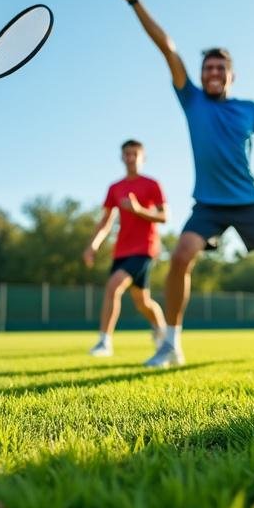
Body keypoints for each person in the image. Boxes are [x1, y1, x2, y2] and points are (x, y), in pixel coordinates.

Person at [105, 0, 254, 368]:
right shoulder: (191, 100)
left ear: (231, 75)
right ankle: (171, 343)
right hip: (207, 203)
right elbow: (167, 47)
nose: (212, 73)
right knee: (180, 257)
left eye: (219, 69)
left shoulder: (249, 109)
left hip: (248, 202)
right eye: (207, 68)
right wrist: (133, 0)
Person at [82, 139, 170, 356]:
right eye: (127, 154)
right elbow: (106, 221)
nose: (130, 158)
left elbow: (164, 216)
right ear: (122, 157)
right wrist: (93, 245)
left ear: (143, 158)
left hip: (145, 249)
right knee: (142, 302)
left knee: (113, 286)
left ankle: (104, 342)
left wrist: (139, 209)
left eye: (135, 154)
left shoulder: (152, 184)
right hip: (122, 250)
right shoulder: (115, 188)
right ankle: (161, 330)